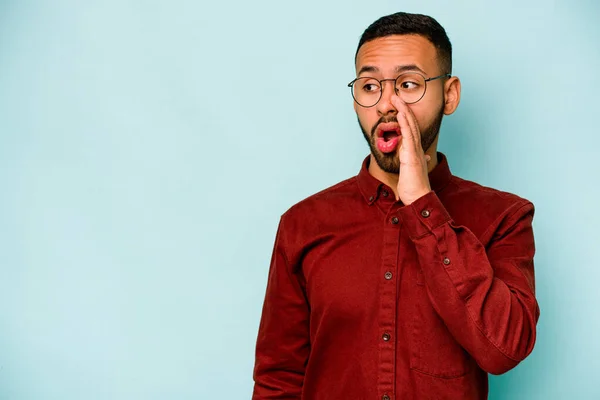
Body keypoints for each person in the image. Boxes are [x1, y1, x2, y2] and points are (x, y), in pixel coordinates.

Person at [252, 12, 540, 400]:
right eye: (370, 86)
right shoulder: (303, 224)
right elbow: (278, 380)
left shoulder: (504, 218)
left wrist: (423, 203)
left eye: (408, 84)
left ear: (449, 95)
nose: (387, 104)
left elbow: (504, 347)